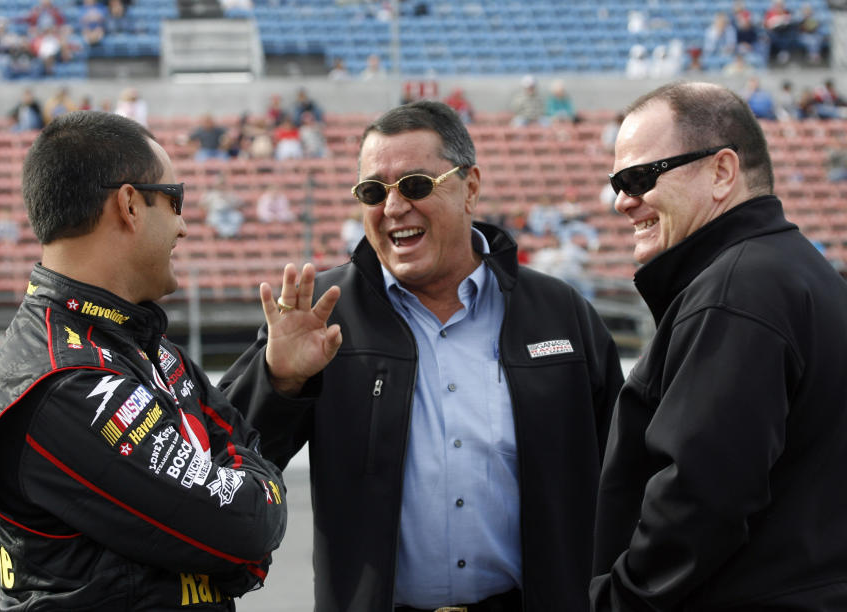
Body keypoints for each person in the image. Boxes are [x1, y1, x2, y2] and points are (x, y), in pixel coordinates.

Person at [219, 100, 624, 611]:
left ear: (470, 187)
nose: (392, 208)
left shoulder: (559, 313)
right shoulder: (320, 316)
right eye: (373, 191)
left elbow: (626, 476)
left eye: (415, 185)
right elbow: (223, 465)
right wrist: (279, 381)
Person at [0, 111, 289, 610]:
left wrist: (279, 385)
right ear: (129, 205)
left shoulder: (149, 347)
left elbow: (242, 455)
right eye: (175, 199)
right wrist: (254, 494)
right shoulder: (64, 381)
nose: (184, 226)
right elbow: (245, 526)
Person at [592, 81, 847, 610]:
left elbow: (701, 499)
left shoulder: (735, 292)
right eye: (617, 181)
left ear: (722, 172)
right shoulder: (796, 273)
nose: (622, 201)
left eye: (638, 177)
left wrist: (619, 600)